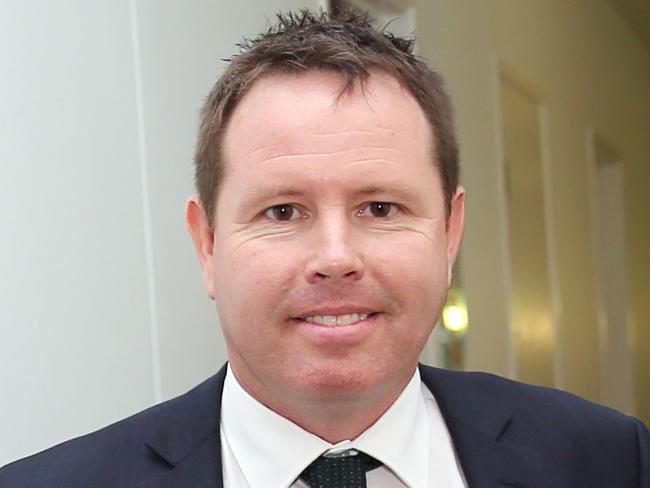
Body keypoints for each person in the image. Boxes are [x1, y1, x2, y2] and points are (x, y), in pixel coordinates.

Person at [1, 9, 648, 488]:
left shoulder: (608, 460)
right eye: (283, 211)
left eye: (380, 208)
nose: (335, 256)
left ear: (450, 233)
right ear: (207, 244)